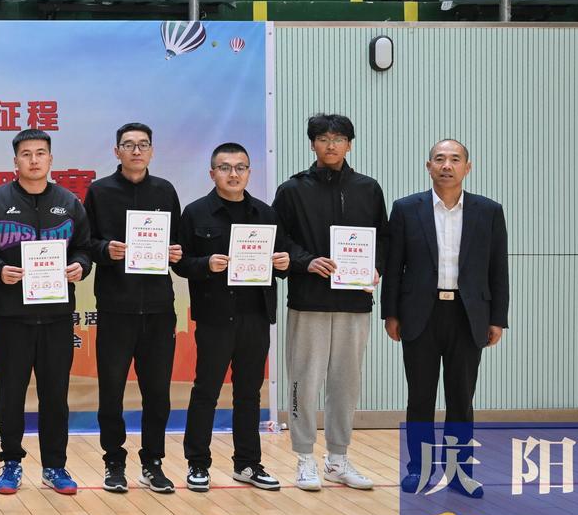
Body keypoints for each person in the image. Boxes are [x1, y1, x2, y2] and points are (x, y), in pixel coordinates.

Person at [382, 139, 509, 496]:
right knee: (420, 397)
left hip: (468, 315)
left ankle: (459, 473)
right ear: (429, 166)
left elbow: (498, 268)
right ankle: (419, 469)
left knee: (461, 399)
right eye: (440, 159)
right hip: (419, 314)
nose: (447, 166)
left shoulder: (488, 211)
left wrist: (497, 318)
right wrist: (390, 313)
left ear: (468, 167)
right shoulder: (406, 209)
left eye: (455, 159)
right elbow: (394, 266)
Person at [273, 113, 388, 492]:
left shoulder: (368, 188)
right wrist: (307, 262)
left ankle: (338, 458)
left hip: (355, 303)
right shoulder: (292, 189)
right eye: (323, 138)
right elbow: (279, 239)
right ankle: (304, 457)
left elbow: (383, 239)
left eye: (338, 138)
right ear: (312, 144)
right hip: (309, 301)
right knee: (304, 381)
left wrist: (376, 268)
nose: (331, 145)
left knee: (346, 382)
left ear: (349, 144)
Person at [0, 129, 92, 496]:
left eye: (40, 153)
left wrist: (80, 266)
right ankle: (10, 461)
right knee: (11, 394)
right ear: (15, 161)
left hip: (57, 316)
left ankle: (54, 465)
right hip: (12, 317)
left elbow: (85, 248)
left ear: (50, 159)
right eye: (26, 154)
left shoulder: (69, 202)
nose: (34, 160)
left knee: (55, 395)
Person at [173, 143, 291, 493]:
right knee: (206, 390)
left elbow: (283, 258)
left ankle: (248, 464)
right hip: (215, 316)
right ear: (212, 173)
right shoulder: (196, 213)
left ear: (250, 173)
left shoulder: (265, 214)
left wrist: (284, 263)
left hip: (256, 315)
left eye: (240, 167)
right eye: (225, 167)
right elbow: (180, 263)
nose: (233, 174)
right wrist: (205, 264)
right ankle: (198, 463)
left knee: (249, 393)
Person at [83, 122, 183, 494]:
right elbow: (85, 243)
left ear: (152, 151)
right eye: (129, 145)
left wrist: (176, 252)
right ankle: (114, 462)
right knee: (111, 391)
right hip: (115, 307)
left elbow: (179, 244)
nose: (136, 151)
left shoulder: (164, 191)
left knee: (157, 393)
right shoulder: (99, 191)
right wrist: (104, 250)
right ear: (117, 151)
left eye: (143, 145)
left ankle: (153, 462)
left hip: (158, 309)